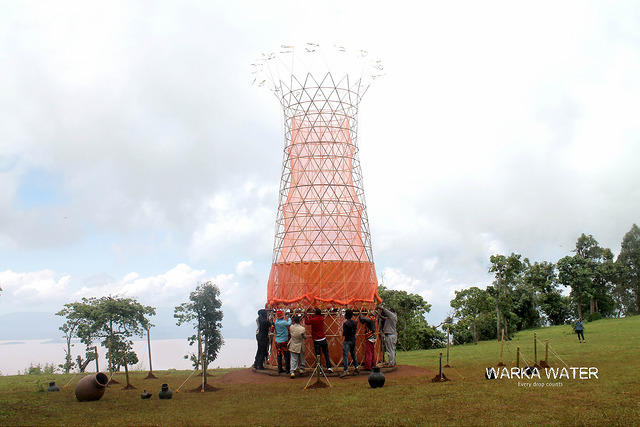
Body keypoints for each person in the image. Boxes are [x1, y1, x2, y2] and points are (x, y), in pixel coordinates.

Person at [306, 308, 334, 373]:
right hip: (323, 339)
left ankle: (320, 369)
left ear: (315, 313)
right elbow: (320, 316)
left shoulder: (313, 320)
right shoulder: (322, 319)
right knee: (326, 353)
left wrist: (306, 315)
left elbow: (307, 322)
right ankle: (329, 367)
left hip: (317, 340)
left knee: (318, 355)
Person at [339, 309, 359, 378]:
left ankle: (346, 370)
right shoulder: (355, 322)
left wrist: (343, 334)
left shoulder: (346, 324)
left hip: (348, 340)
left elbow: (345, 333)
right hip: (353, 339)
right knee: (353, 353)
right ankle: (357, 367)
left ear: (347, 315)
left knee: (345, 354)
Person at [274, 310, 292, 374]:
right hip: (284, 341)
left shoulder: (276, 322)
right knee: (286, 355)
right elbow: (289, 323)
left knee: (279, 354)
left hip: (277, 341)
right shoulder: (283, 322)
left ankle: (279, 369)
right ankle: (287, 369)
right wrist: (289, 317)